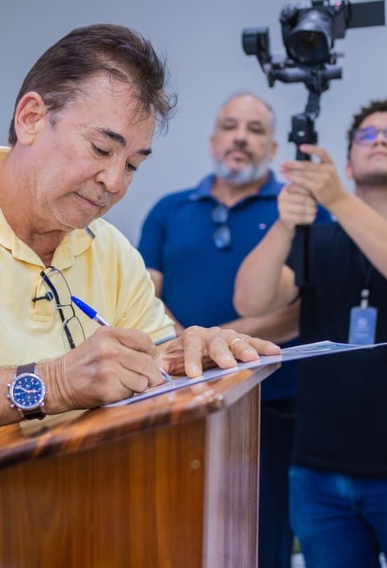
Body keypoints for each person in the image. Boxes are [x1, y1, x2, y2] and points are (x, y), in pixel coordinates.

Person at [0, 23, 280, 567]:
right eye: (101, 148)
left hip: (62, 541)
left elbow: (159, 371)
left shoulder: (111, 250)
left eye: (133, 164)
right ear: (31, 118)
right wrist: (56, 382)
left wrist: (195, 359)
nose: (114, 182)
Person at [234, 98, 387, 567]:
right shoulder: (320, 241)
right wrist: (287, 224)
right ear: (348, 164)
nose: (381, 140)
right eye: (366, 136)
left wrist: (337, 201)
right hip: (318, 474)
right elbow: (251, 301)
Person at [137, 91, 330, 568]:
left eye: (255, 129)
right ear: (213, 140)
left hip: (272, 404)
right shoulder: (169, 210)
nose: (240, 137)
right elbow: (143, 295)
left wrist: (210, 342)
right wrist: (191, 346)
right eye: (230, 126)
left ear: (273, 149)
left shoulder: (301, 211)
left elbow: (300, 311)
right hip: (183, 398)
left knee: (262, 537)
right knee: (179, 530)